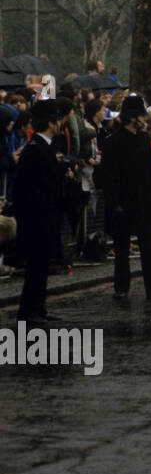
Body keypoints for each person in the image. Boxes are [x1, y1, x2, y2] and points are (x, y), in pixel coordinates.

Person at [99, 95, 151, 301]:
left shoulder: (143, 139)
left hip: (144, 201)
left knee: (147, 246)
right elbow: (109, 176)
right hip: (123, 201)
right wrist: (114, 202)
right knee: (122, 248)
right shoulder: (113, 141)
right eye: (142, 116)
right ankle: (121, 287)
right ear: (133, 117)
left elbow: (150, 170)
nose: (144, 120)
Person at [13, 100, 63, 324]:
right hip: (37, 217)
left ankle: (39, 307)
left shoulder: (44, 147)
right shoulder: (35, 150)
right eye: (57, 120)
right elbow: (25, 188)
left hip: (46, 215)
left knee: (43, 265)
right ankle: (29, 310)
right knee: (36, 266)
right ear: (51, 123)